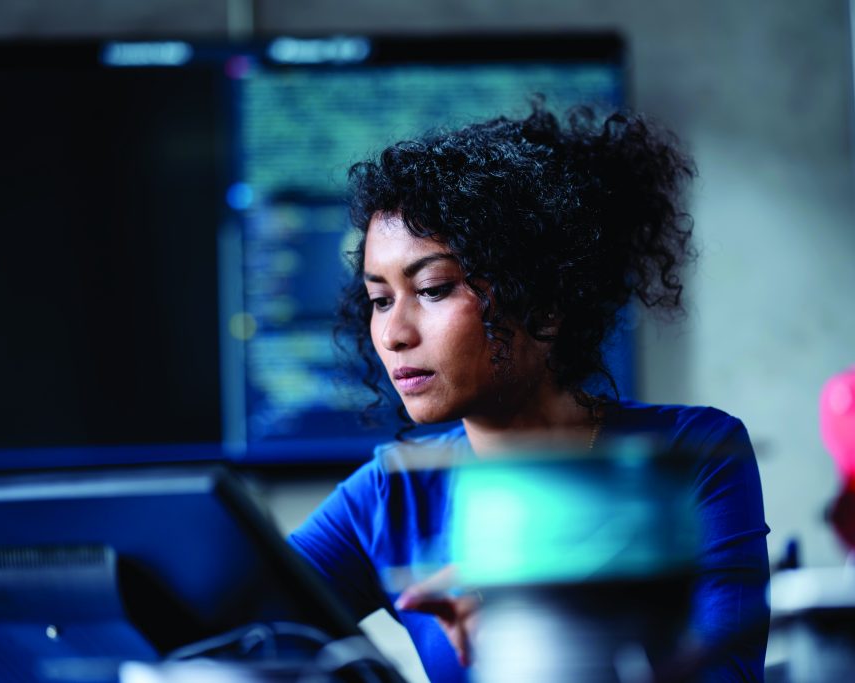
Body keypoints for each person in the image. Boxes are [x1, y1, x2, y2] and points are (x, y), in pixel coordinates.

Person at [288, 103, 770, 682]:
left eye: (434, 289)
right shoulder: (390, 495)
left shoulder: (692, 455)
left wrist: (541, 623)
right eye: (380, 300)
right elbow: (222, 628)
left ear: (542, 299)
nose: (393, 334)